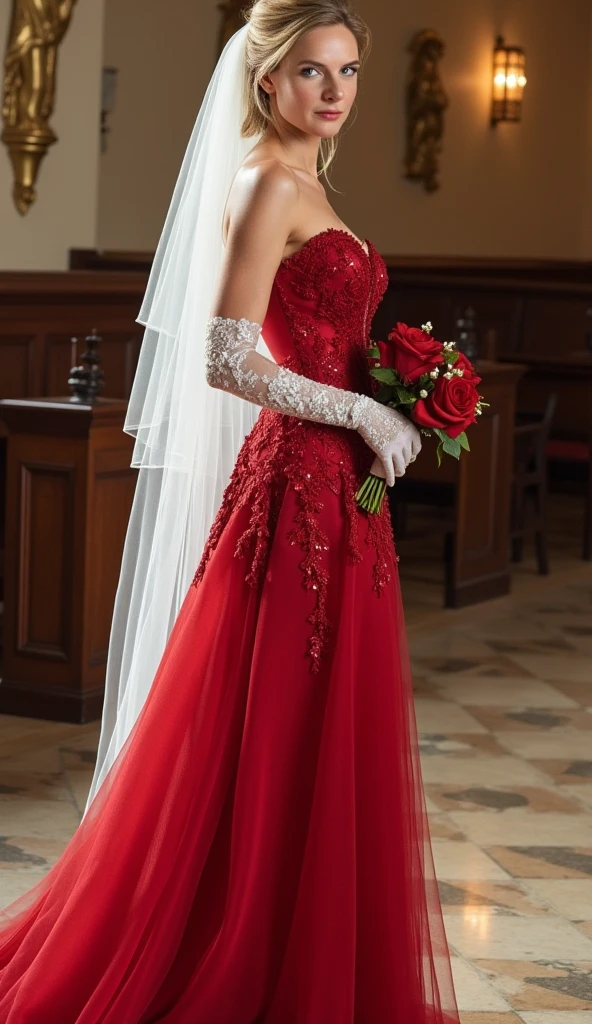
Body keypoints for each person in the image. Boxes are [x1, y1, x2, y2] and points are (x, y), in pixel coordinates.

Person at [0, 2, 460, 1021]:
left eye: (344, 72)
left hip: (344, 488)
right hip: (297, 487)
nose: (333, 92)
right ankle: (248, 950)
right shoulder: (262, 183)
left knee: (326, 723)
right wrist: (354, 407)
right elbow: (224, 356)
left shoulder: (309, 180)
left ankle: (313, 953)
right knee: (274, 718)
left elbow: (324, 333)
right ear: (265, 79)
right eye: (310, 72)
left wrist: (392, 396)